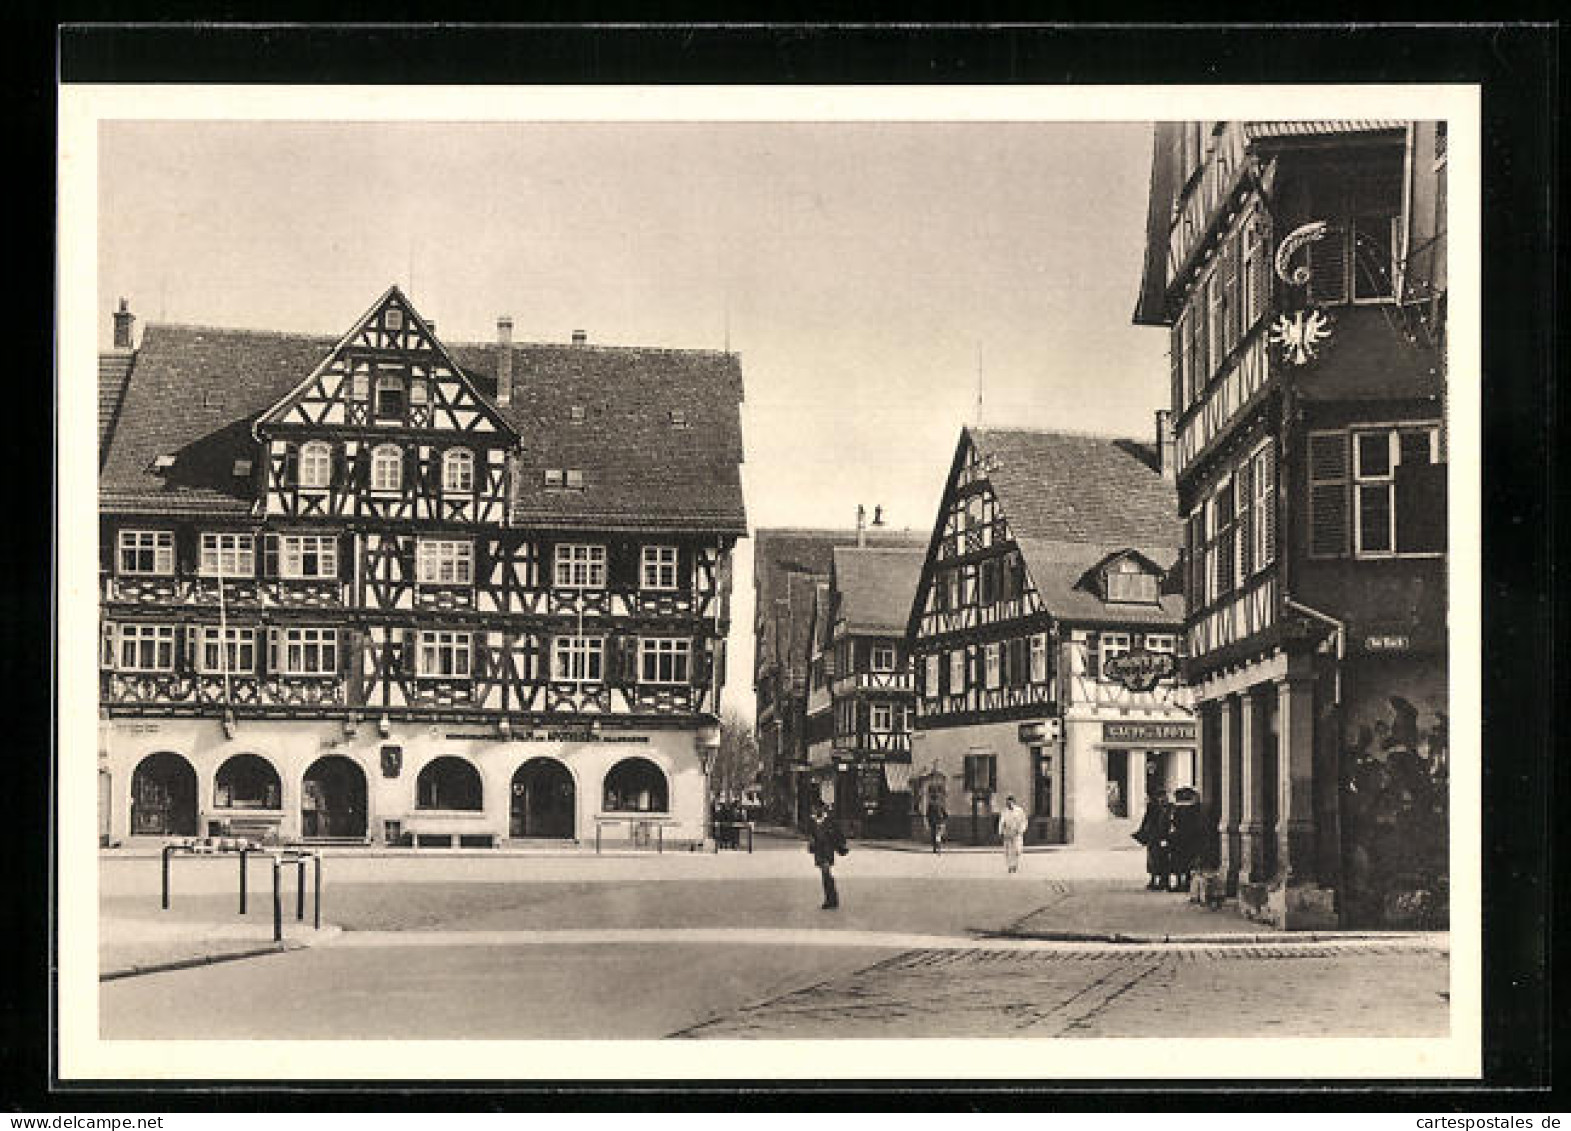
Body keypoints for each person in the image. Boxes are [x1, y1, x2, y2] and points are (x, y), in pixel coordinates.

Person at [807, 801, 849, 909]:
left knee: (826, 874)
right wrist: (811, 844)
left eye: (817, 808)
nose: (815, 811)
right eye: (814, 809)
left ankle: (832, 900)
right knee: (825, 875)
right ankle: (830, 899)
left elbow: (839, 834)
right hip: (818, 851)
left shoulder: (830, 821)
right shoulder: (813, 822)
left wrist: (842, 845)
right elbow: (811, 836)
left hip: (828, 850)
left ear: (822, 809)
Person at [1167, 786, 1207, 893]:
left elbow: (1174, 822)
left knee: (1179, 862)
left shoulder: (1178, 809)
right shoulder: (1195, 808)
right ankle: (1187, 882)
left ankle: (1180, 883)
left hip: (1179, 838)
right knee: (1188, 862)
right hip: (1191, 838)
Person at [1132, 788, 1172, 890]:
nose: (1163, 799)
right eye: (1161, 797)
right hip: (1154, 837)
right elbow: (1146, 821)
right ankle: (1154, 880)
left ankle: (1164, 881)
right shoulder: (1153, 807)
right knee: (1153, 859)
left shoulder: (1170, 807)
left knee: (1164, 859)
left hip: (1165, 836)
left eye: (1164, 796)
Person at [997, 795, 1029, 874]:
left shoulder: (1019, 811)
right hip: (1007, 833)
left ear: (1014, 802)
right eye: (1007, 803)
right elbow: (1001, 822)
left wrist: (1021, 830)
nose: (1009, 804)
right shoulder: (1004, 811)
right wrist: (1000, 831)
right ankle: (1010, 866)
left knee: (1017, 850)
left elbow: (1024, 821)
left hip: (1017, 833)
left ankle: (1015, 864)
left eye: (1010, 802)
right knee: (1008, 851)